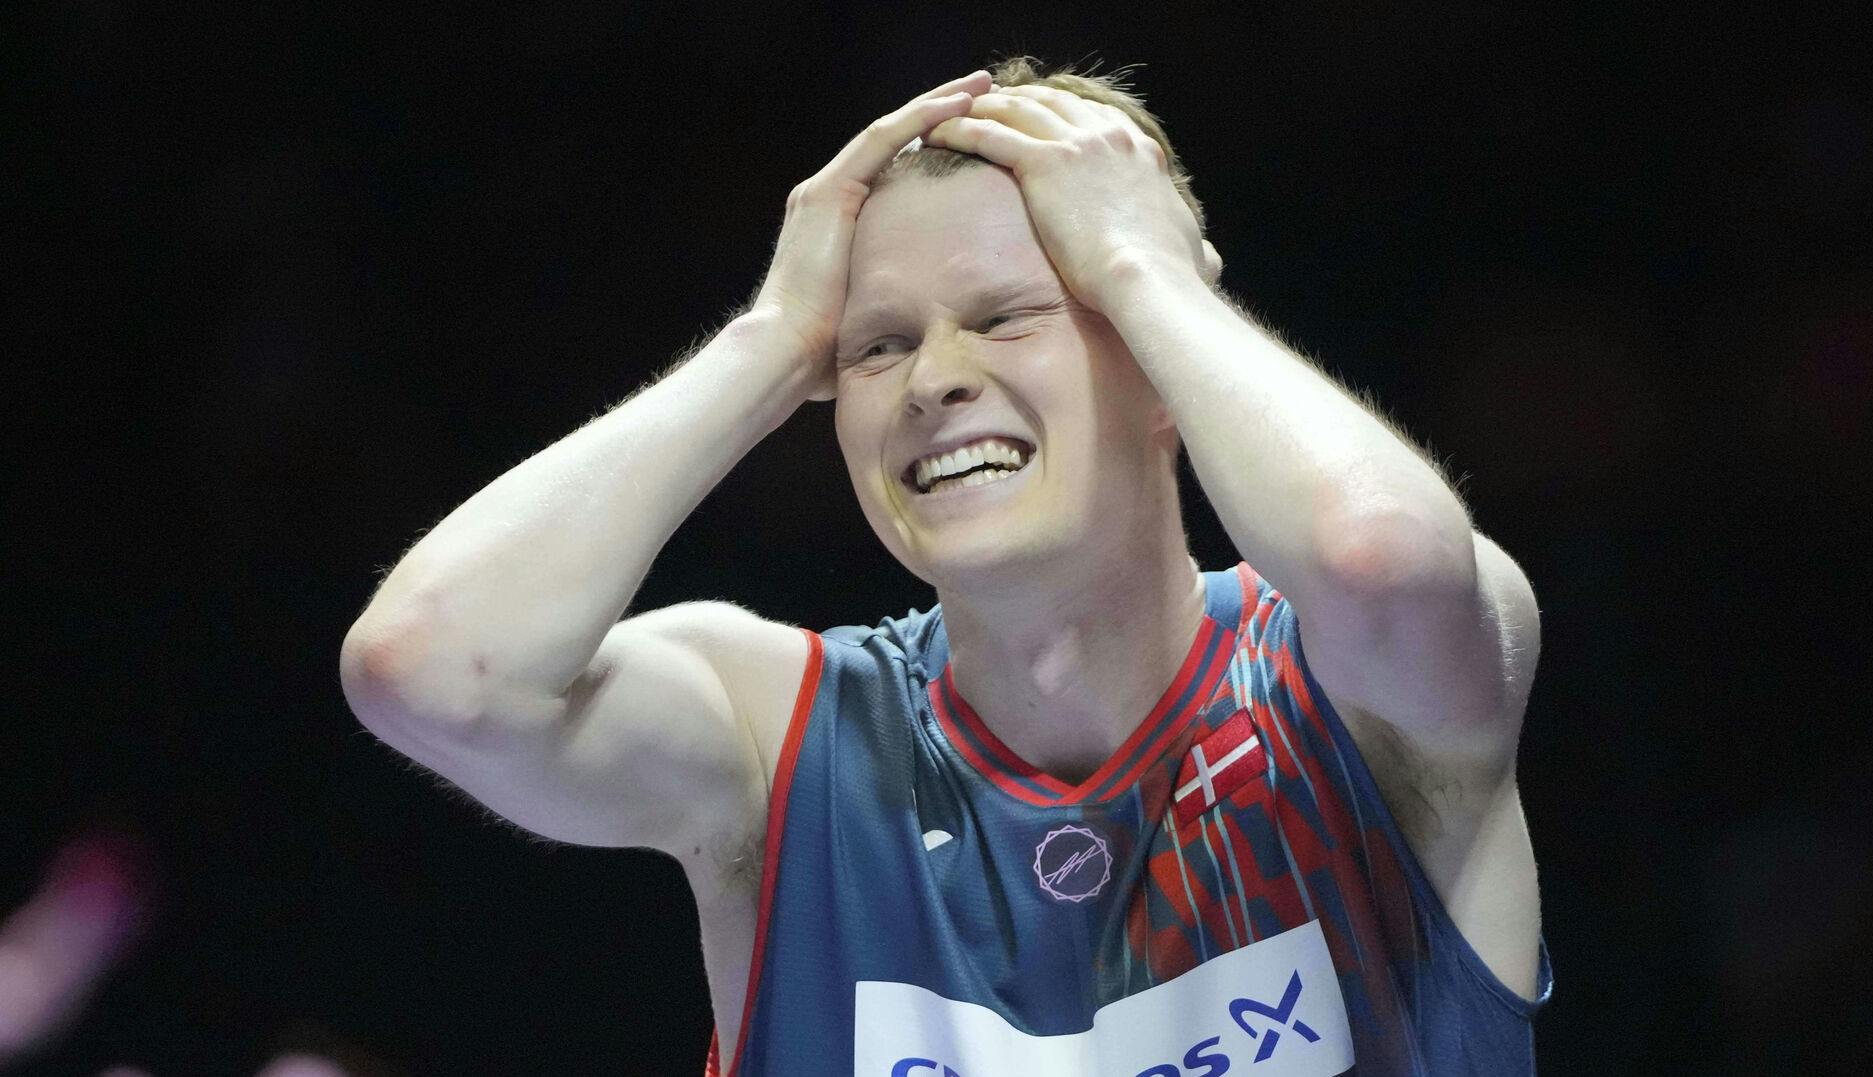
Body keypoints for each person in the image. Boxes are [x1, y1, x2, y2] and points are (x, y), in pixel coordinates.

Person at [340, 57, 1551, 1075]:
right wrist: (769, 343)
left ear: (1168, 356)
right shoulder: (778, 743)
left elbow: (1380, 556)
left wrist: (1143, 272)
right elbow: (431, 670)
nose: (935, 380)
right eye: (876, 345)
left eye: (1008, 315)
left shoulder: (1355, 700)